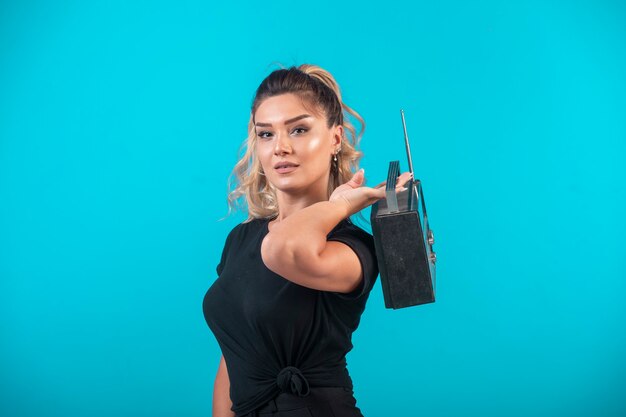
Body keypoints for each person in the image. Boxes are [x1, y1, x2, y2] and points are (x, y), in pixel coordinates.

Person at [202, 64, 411, 417]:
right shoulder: (242, 238)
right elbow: (234, 354)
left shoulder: (353, 249)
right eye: (266, 134)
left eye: (298, 129)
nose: (280, 147)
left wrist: (338, 206)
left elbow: (286, 250)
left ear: (335, 138)